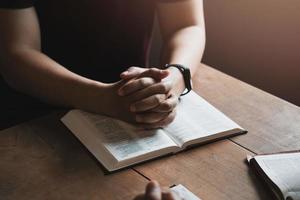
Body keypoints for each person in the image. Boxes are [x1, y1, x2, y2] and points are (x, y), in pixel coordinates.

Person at [0, 0, 205, 129]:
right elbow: (17, 54)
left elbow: (186, 25)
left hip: (134, 103)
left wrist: (173, 80)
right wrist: (103, 98)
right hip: (35, 113)